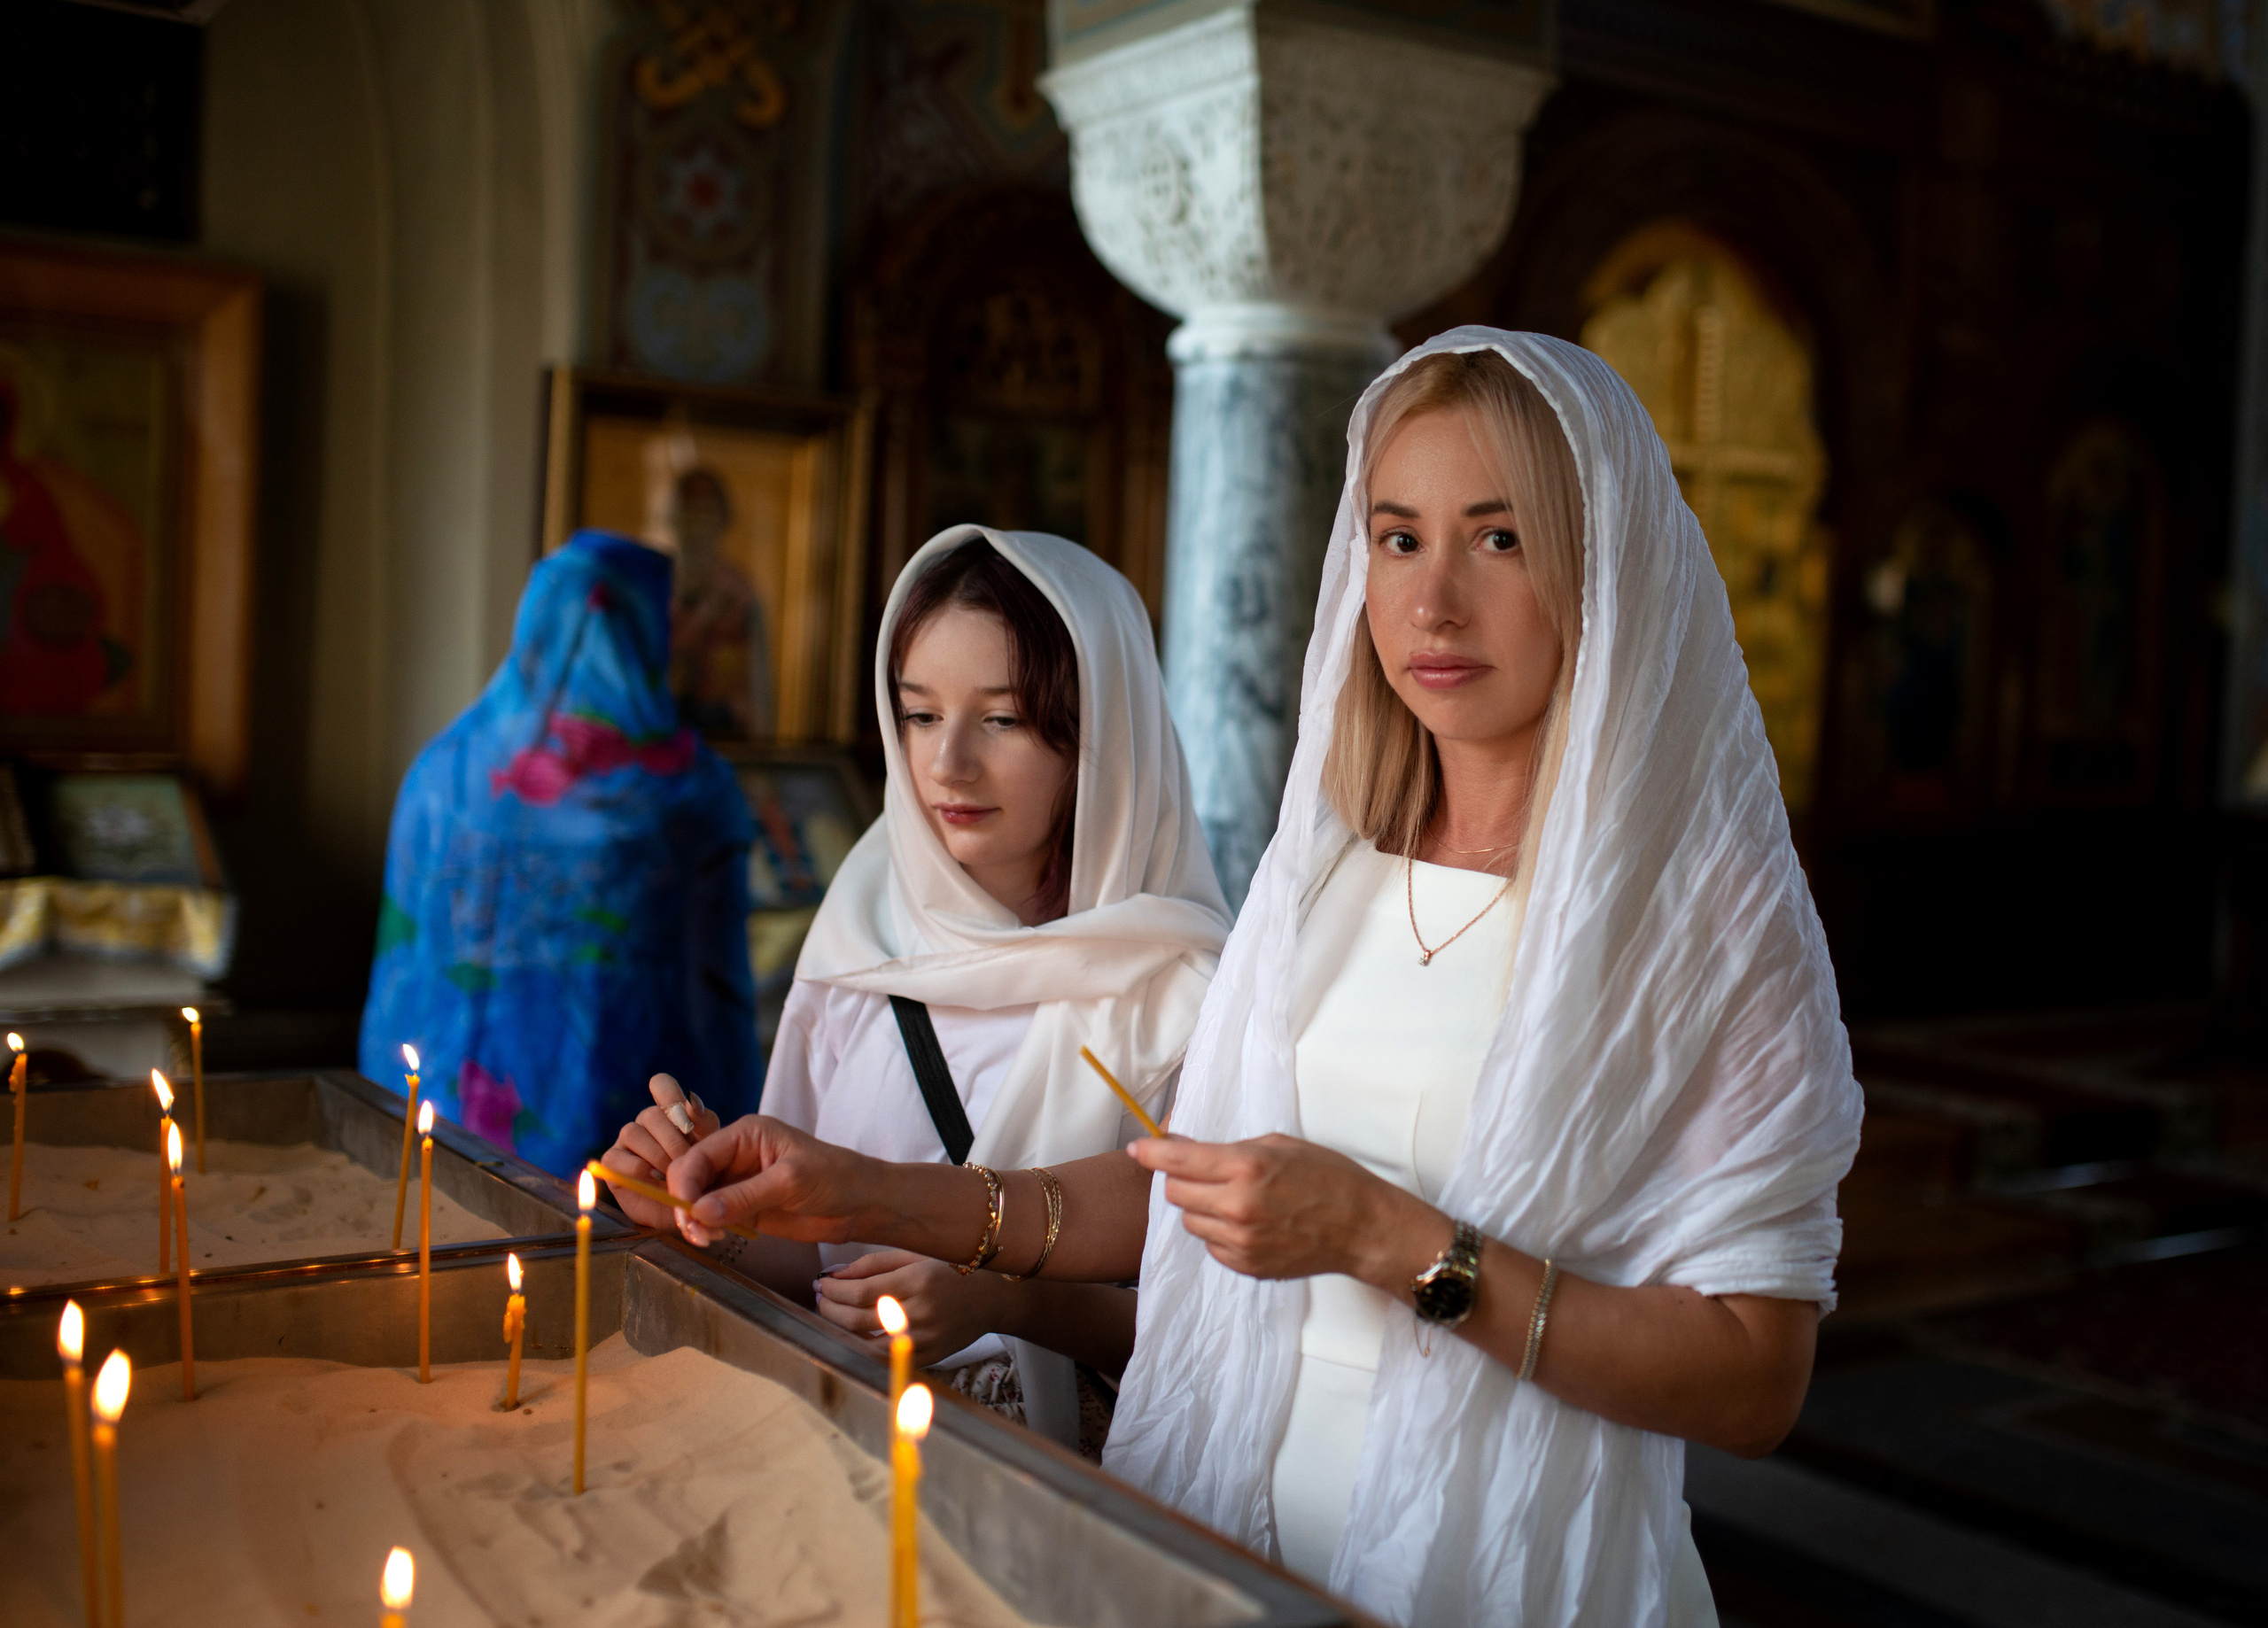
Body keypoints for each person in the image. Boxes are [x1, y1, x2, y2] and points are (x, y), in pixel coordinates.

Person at [646, 331, 1862, 1627]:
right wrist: (857, 1189)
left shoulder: (1703, 918)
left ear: (1602, 566)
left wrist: (1388, 1241)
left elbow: (1753, 1376)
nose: (1433, 602)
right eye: (1398, 539)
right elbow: (1184, 1189)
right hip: (1238, 1543)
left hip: (1511, 1574)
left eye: (1496, 539)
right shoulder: (1331, 872)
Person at [602, 526, 1231, 1453]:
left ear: (1100, 733)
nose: (947, 763)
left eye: (1003, 718)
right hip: (842, 1452)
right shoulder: (860, 943)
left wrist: (1005, 1298)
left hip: (1078, 1485)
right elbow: (812, 1260)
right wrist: (708, 1214)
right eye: (920, 713)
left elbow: (1231, 1331)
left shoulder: (1186, 993)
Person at [359, 529, 760, 1176]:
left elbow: (401, 968)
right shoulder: (693, 794)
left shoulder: (444, 770)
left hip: (444, 1112)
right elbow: (719, 995)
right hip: (636, 1140)